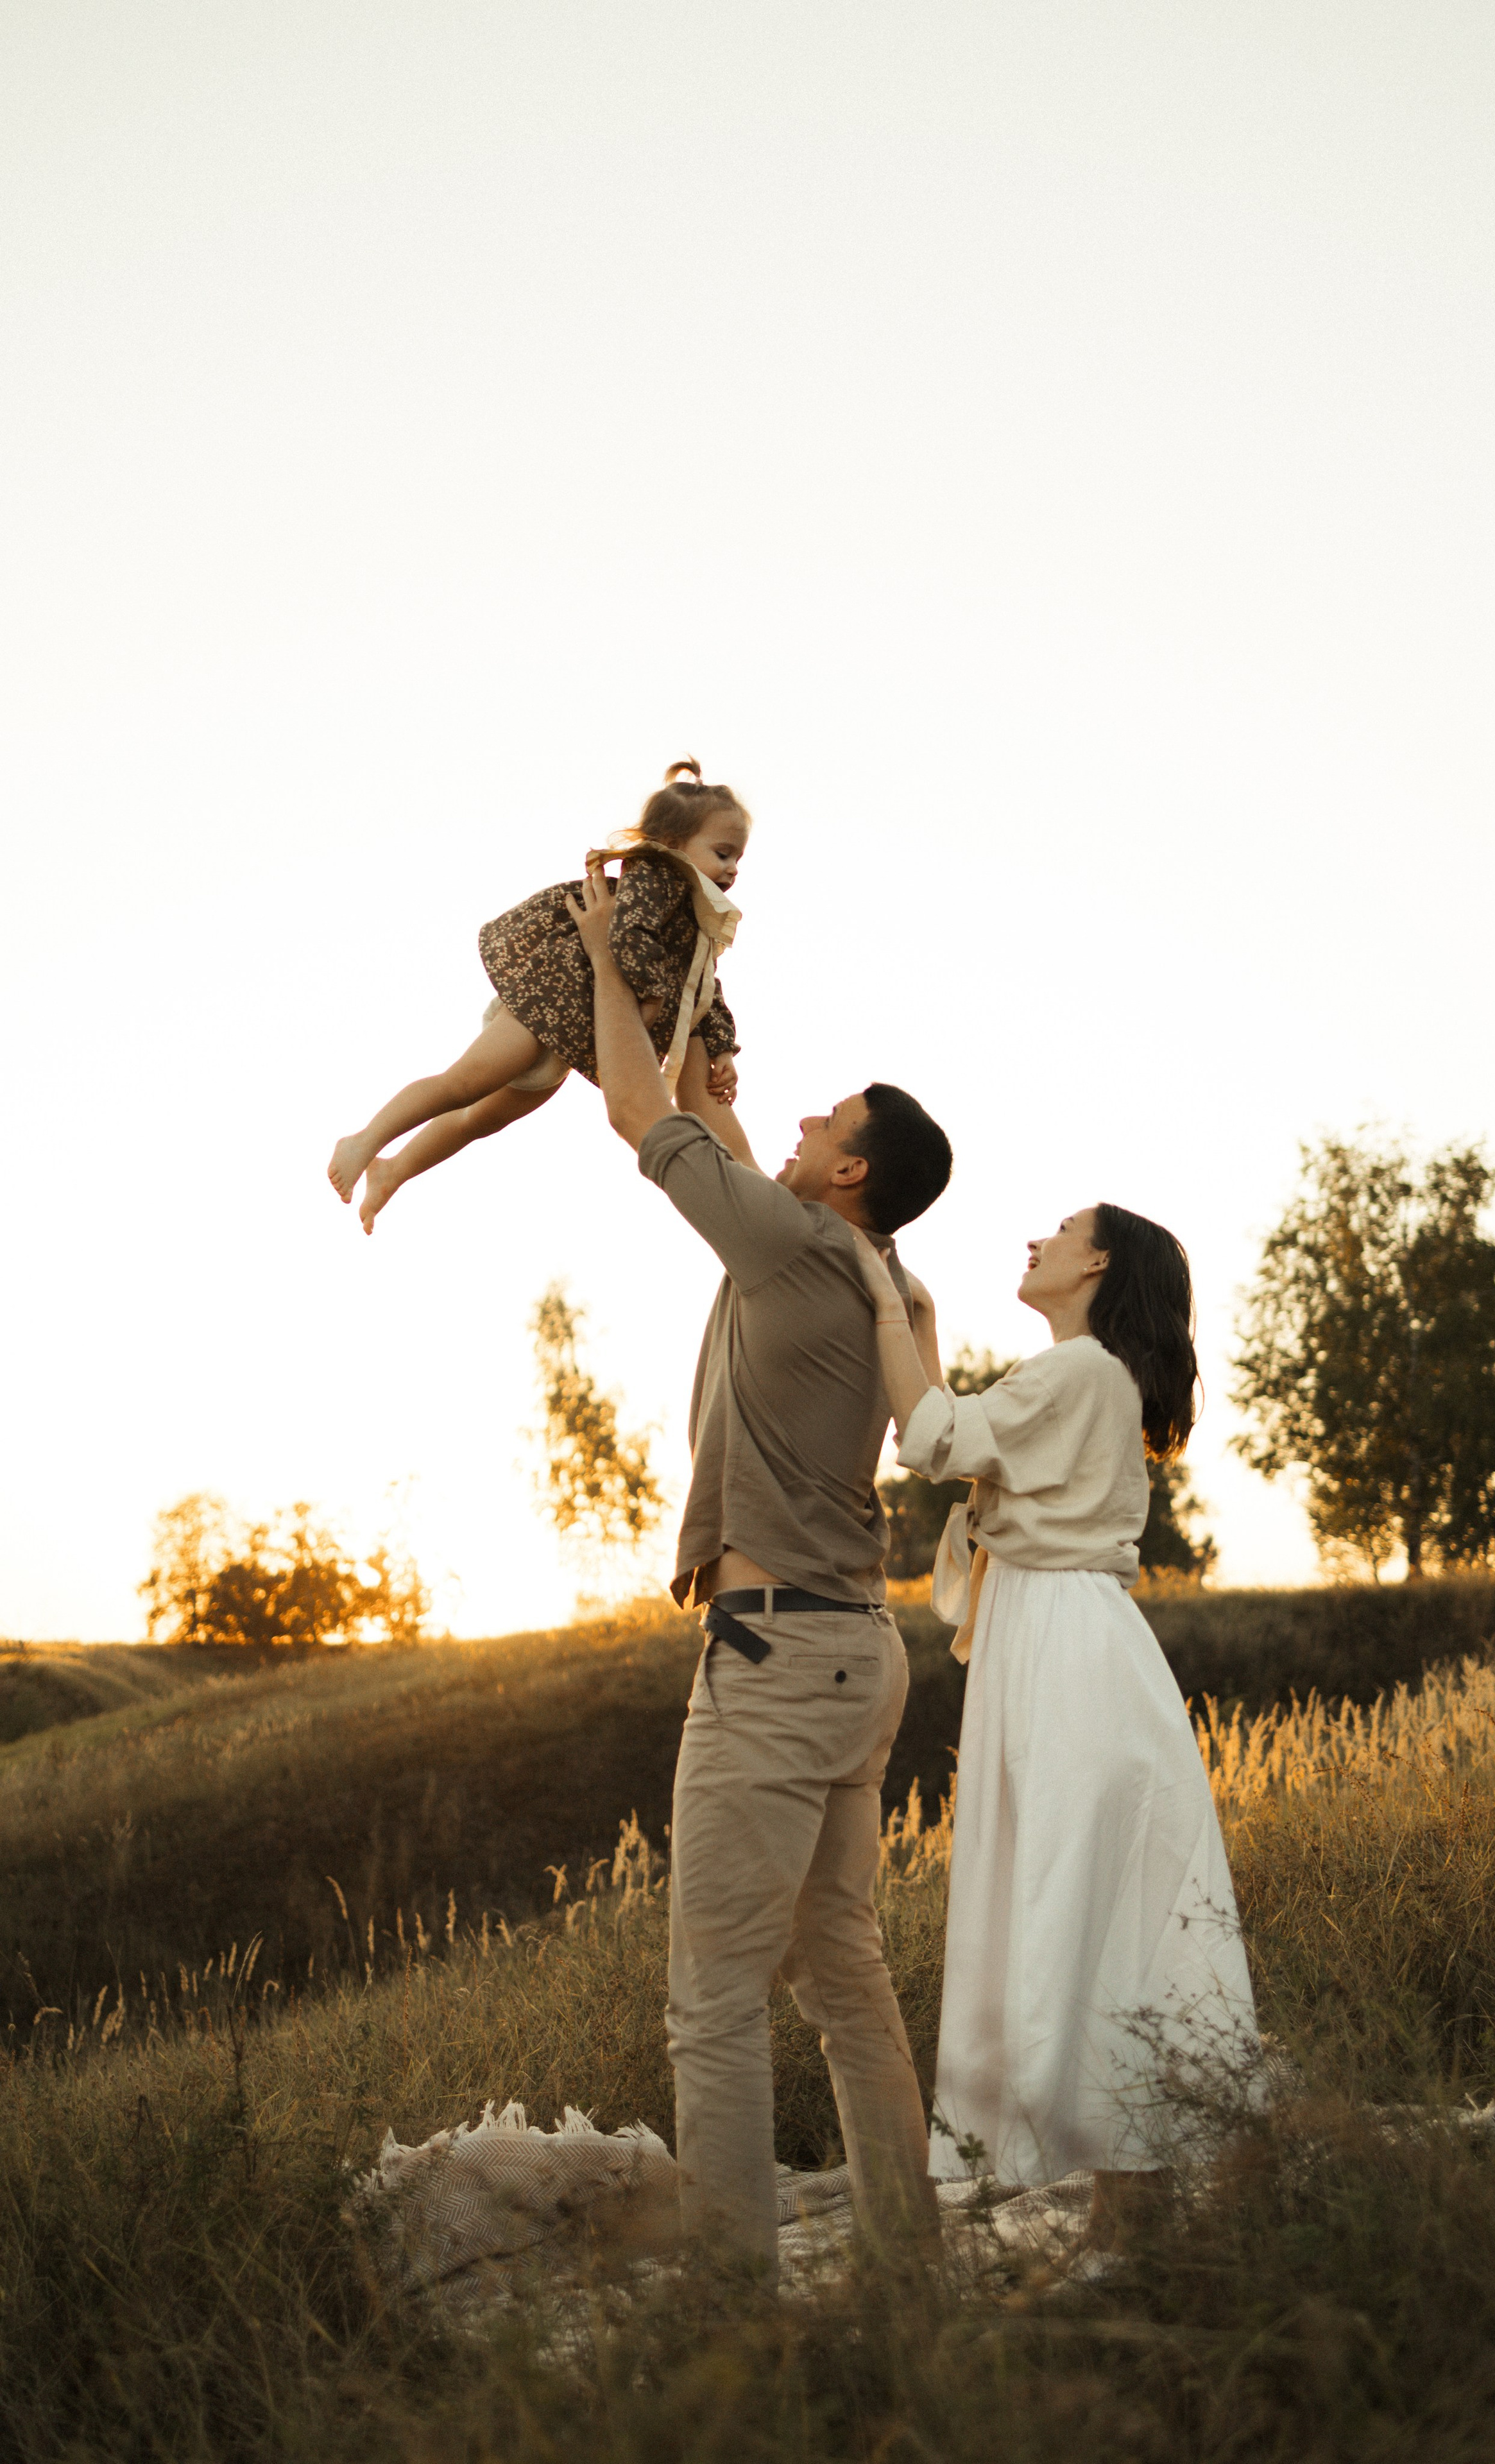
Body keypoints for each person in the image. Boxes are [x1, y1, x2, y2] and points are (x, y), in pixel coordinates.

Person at [567, 858, 953, 2272]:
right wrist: (704, 1027)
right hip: (859, 1655)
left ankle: (729, 2319)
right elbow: (712, 1125)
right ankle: (908, 2268)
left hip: (775, 1660)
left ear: (846, 1171)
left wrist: (608, 960)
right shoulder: (881, 1280)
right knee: (843, 1976)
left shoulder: (791, 1248)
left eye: (824, 1118)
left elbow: (633, 1113)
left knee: (714, 1999)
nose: (794, 1114)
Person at [851, 1204, 1260, 2240]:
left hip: (1067, 1656)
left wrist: (882, 1309)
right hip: (1076, 1645)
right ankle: (1134, 2229)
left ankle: (1127, 2231)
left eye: (1063, 1228)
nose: (1037, 1239)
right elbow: (953, 1432)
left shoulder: (1078, 1372)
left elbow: (935, 1441)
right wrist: (924, 1332)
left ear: (1101, 1262)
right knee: (1104, 1926)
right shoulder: (1089, 1380)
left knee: (1073, 1905)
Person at [326, 760, 749, 1233]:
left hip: (572, 1031)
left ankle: (392, 1171)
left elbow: (704, 987)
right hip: (551, 1001)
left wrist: (722, 1047)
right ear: (674, 844)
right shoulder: (659, 876)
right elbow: (629, 933)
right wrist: (650, 995)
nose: (732, 869)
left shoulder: (696, 918)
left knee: (482, 1119)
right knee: (464, 1083)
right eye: (722, 853)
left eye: (738, 859)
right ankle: (365, 1140)